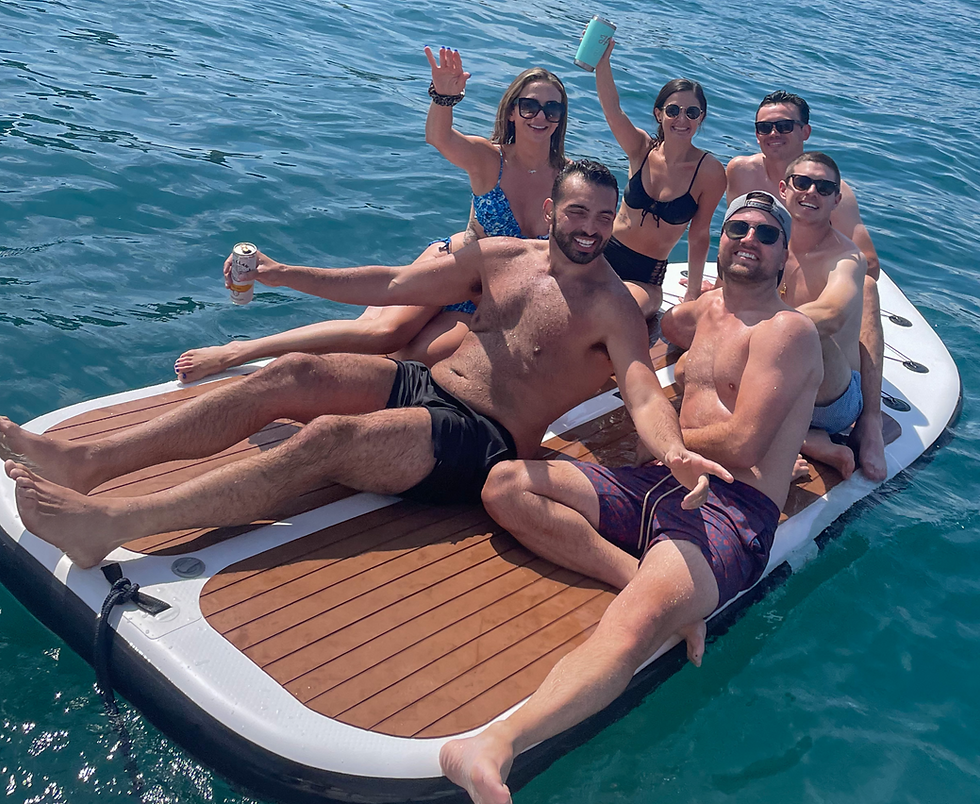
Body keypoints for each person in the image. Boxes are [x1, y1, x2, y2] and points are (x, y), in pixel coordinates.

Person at [2, 161, 728, 572]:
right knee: (290, 374)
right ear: (552, 210)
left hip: (486, 442)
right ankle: (87, 460)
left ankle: (111, 523)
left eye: (604, 219)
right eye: (579, 213)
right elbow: (389, 286)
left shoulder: (614, 307)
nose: (591, 229)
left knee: (324, 441)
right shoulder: (503, 259)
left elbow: (639, 383)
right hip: (428, 386)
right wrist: (285, 272)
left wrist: (672, 450)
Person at [438, 190, 823, 804]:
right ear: (720, 241)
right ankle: (650, 581)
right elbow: (646, 335)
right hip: (656, 480)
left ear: (784, 256)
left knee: (630, 626)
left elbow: (744, 440)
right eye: (737, 227)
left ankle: (493, 746)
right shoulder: (699, 316)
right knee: (507, 483)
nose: (748, 238)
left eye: (765, 232)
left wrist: (664, 439)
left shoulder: (788, 331)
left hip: (728, 509)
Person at [173, 49, 569, 383]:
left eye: (552, 107)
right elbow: (440, 138)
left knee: (411, 361)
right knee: (382, 333)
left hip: (487, 299)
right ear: (513, 111)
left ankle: (314, 380)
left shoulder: (568, 178)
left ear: (561, 116)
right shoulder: (490, 159)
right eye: (529, 105)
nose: (540, 115)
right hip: (450, 266)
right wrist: (443, 97)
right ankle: (239, 352)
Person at [726, 90, 887, 480]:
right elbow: (731, 251)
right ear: (783, 190)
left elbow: (865, 272)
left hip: (822, 365)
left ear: (805, 131)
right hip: (778, 333)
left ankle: (872, 422)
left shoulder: (836, 205)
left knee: (862, 290)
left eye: (784, 126)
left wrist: (759, 323)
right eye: (765, 126)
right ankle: (801, 437)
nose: (773, 133)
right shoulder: (743, 175)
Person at [593, 39, 726, 308]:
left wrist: (693, 292)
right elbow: (613, 110)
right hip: (602, 256)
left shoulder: (709, 172)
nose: (682, 119)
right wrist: (602, 63)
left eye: (692, 112)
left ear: (701, 118)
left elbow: (699, 235)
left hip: (647, 276)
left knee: (621, 311)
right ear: (659, 114)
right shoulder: (640, 149)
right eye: (673, 110)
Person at [776, 153, 867, 478]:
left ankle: (792, 440)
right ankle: (809, 441)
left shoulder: (846, 258)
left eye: (824, 188)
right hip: (778, 382)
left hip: (830, 397)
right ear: (784, 189)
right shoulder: (767, 242)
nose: (811, 191)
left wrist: (761, 329)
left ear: (836, 200)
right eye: (802, 182)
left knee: (816, 331)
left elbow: (832, 313)